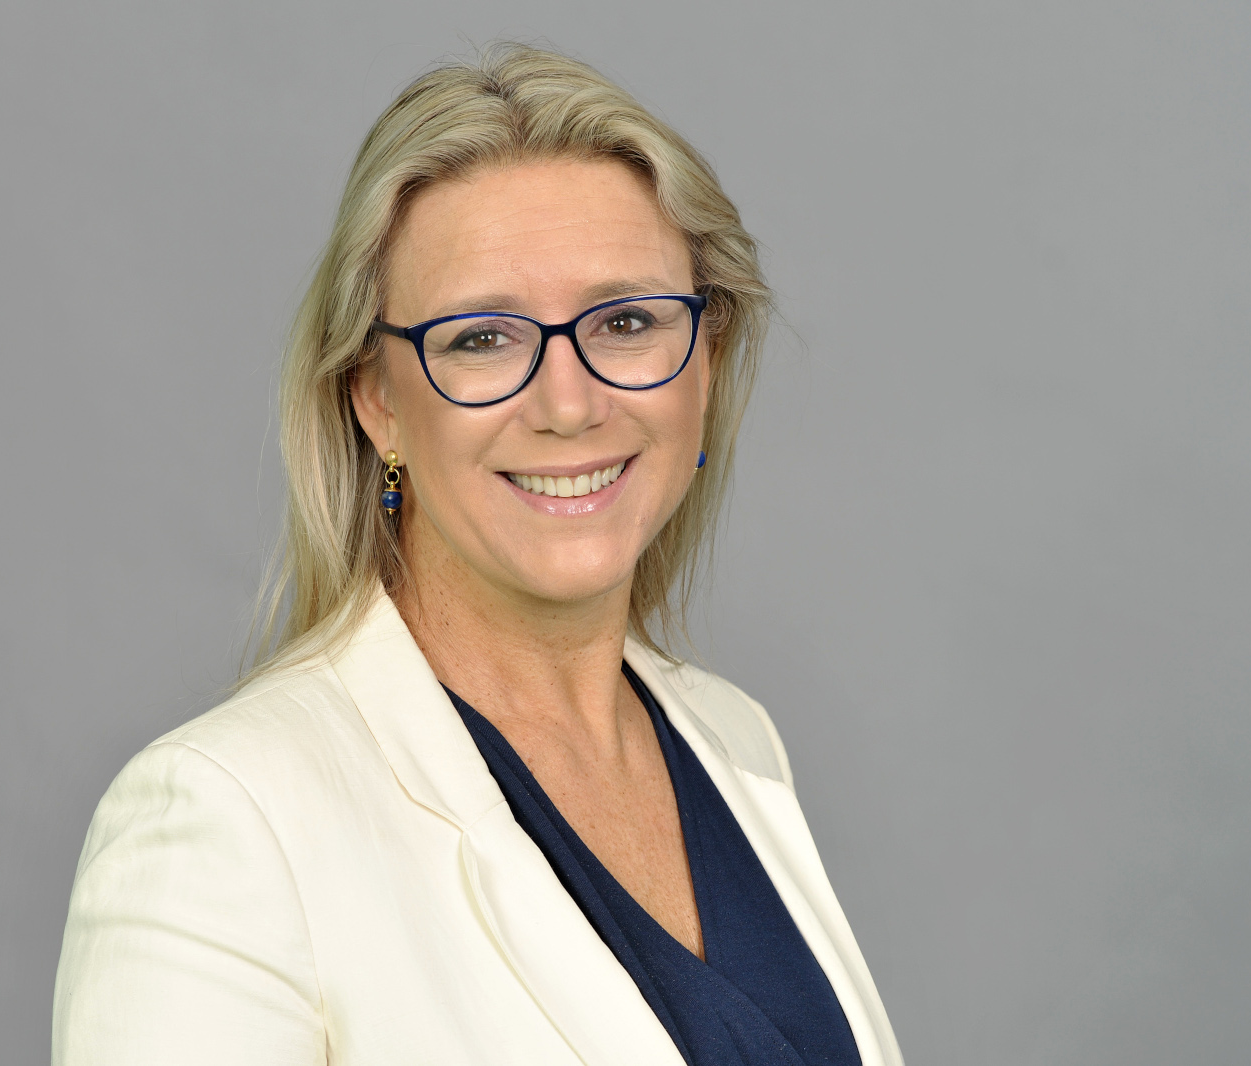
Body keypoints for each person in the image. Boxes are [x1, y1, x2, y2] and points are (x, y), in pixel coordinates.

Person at [52, 44, 901, 1066]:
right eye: (482, 338)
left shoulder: (732, 739)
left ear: (704, 365)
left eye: (626, 321)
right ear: (377, 401)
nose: (569, 404)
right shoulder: (227, 824)